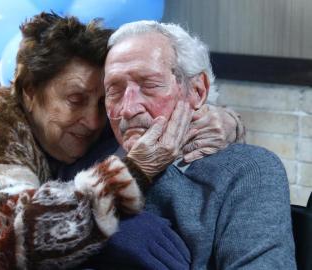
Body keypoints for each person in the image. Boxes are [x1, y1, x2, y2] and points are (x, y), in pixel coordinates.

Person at [0, 13, 243, 270]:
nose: (95, 121)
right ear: (29, 93)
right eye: (75, 99)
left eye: (101, 102)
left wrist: (223, 119)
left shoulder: (81, 128)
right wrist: (134, 172)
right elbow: (13, 241)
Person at [76, 20, 296, 269]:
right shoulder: (86, 157)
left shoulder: (248, 171)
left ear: (198, 91)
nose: (127, 109)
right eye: (114, 91)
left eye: (149, 85)